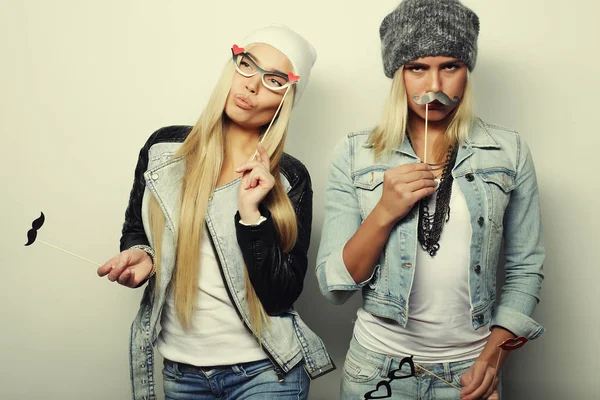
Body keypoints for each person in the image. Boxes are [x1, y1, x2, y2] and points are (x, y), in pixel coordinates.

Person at [316, 1, 545, 399]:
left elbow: (525, 268)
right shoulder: (355, 154)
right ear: (398, 75)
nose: (434, 86)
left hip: (470, 370)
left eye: (450, 66)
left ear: (467, 71)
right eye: (417, 68)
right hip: (377, 368)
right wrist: (385, 212)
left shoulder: (508, 151)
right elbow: (334, 287)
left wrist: (490, 361)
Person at [97, 25, 334, 400]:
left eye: (273, 80)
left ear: (286, 100)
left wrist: (251, 214)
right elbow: (135, 229)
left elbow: (281, 295)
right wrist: (144, 256)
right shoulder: (164, 150)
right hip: (182, 374)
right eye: (247, 65)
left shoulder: (288, 178)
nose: (253, 85)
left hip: (266, 374)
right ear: (233, 65)